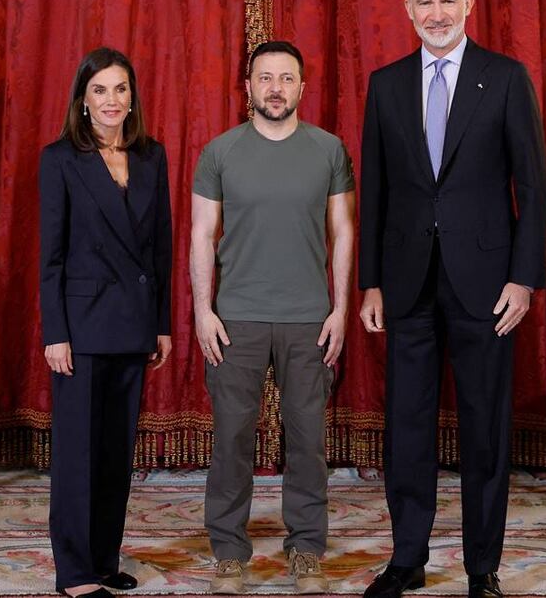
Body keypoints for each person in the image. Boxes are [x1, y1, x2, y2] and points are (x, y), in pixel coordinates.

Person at [358, 0, 546, 598]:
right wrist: (370, 281)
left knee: (484, 429)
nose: (436, 14)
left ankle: (481, 568)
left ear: (468, 3)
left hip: (488, 285)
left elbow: (533, 187)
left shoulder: (506, 78)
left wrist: (523, 278)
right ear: (408, 10)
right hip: (406, 282)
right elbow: (376, 191)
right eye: (425, 3)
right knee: (407, 426)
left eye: (447, 1)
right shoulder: (385, 85)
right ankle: (407, 559)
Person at [190, 40, 355, 595]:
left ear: (302, 87)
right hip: (236, 320)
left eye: (286, 78)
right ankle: (227, 549)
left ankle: (306, 546)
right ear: (249, 87)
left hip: (309, 320)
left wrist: (340, 310)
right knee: (231, 439)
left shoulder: (329, 150)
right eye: (265, 78)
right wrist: (203, 311)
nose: (276, 88)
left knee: (307, 440)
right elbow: (201, 234)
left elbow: (343, 232)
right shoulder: (220, 152)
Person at [38, 47, 173, 598]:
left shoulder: (151, 155)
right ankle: (74, 573)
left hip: (133, 321)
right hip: (82, 326)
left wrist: (161, 323)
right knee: (79, 454)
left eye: (120, 89)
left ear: (132, 97)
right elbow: (51, 255)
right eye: (100, 90)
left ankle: (102, 560)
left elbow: (160, 247)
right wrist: (55, 333)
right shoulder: (60, 159)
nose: (111, 100)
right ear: (83, 99)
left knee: (116, 454)